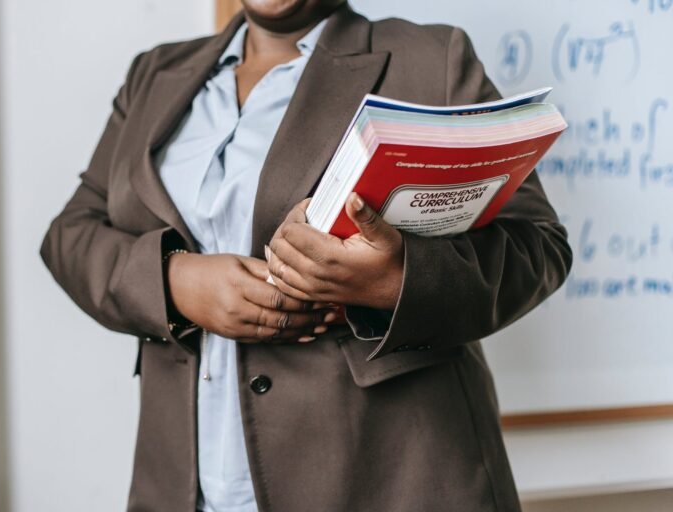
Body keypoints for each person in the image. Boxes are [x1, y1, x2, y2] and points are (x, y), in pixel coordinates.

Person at [40, 1, 573, 511]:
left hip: (385, 479)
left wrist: (393, 280)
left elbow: (538, 245)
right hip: (184, 483)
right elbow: (71, 234)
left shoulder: (431, 59)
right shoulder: (155, 73)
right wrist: (175, 282)